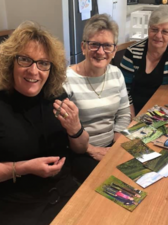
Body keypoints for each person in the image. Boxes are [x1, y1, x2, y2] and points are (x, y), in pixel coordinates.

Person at [0, 21, 89, 225]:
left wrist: (75, 129)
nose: (34, 71)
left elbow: (81, 148)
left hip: (64, 195)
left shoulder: (55, 96)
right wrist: (23, 168)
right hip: (17, 207)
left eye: (43, 63)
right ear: (11, 62)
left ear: (51, 68)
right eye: (25, 60)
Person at [63, 14, 131, 182]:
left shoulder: (116, 74)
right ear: (83, 47)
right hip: (81, 153)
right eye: (94, 45)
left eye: (107, 46)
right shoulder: (66, 80)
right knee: (109, 184)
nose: (101, 52)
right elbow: (62, 129)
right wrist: (91, 149)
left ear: (114, 50)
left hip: (111, 145)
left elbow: (123, 113)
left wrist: (115, 146)